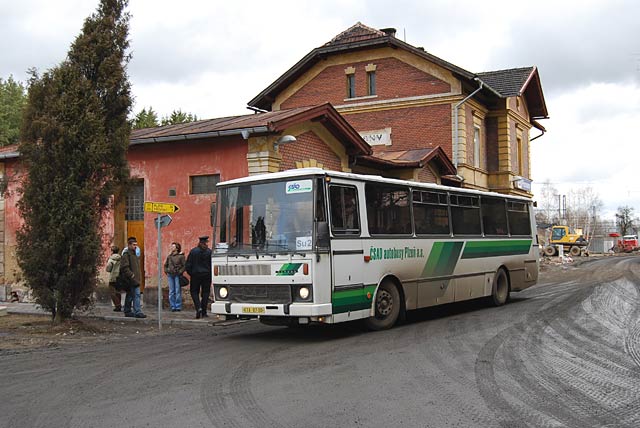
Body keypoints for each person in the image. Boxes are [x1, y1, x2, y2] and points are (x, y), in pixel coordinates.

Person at [185, 235, 212, 319]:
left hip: (195, 275)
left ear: (199, 243)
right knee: (205, 293)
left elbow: (188, 265)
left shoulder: (193, 251)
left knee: (194, 292)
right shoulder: (209, 252)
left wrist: (191, 273)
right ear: (206, 243)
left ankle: (198, 307)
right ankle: (204, 311)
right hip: (207, 275)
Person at [120, 236, 147, 318]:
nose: (135, 246)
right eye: (134, 245)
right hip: (131, 279)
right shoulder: (126, 254)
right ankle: (137, 311)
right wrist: (131, 275)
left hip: (135, 278)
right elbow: (125, 267)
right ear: (129, 245)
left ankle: (127, 310)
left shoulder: (134, 254)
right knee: (136, 295)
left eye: (136, 244)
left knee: (131, 295)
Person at [164, 242, 186, 312]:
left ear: (177, 248)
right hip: (170, 275)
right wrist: (166, 270)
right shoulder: (169, 256)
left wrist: (180, 272)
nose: (171, 248)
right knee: (171, 291)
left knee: (177, 291)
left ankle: (178, 306)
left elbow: (184, 266)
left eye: (173, 246)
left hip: (177, 275)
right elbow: (165, 264)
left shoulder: (181, 256)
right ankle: (172, 306)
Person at [105, 245, 122, 312]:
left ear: (112, 251)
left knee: (112, 292)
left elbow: (108, 268)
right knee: (118, 292)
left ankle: (117, 305)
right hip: (119, 277)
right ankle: (119, 305)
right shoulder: (121, 258)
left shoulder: (111, 259)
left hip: (113, 277)